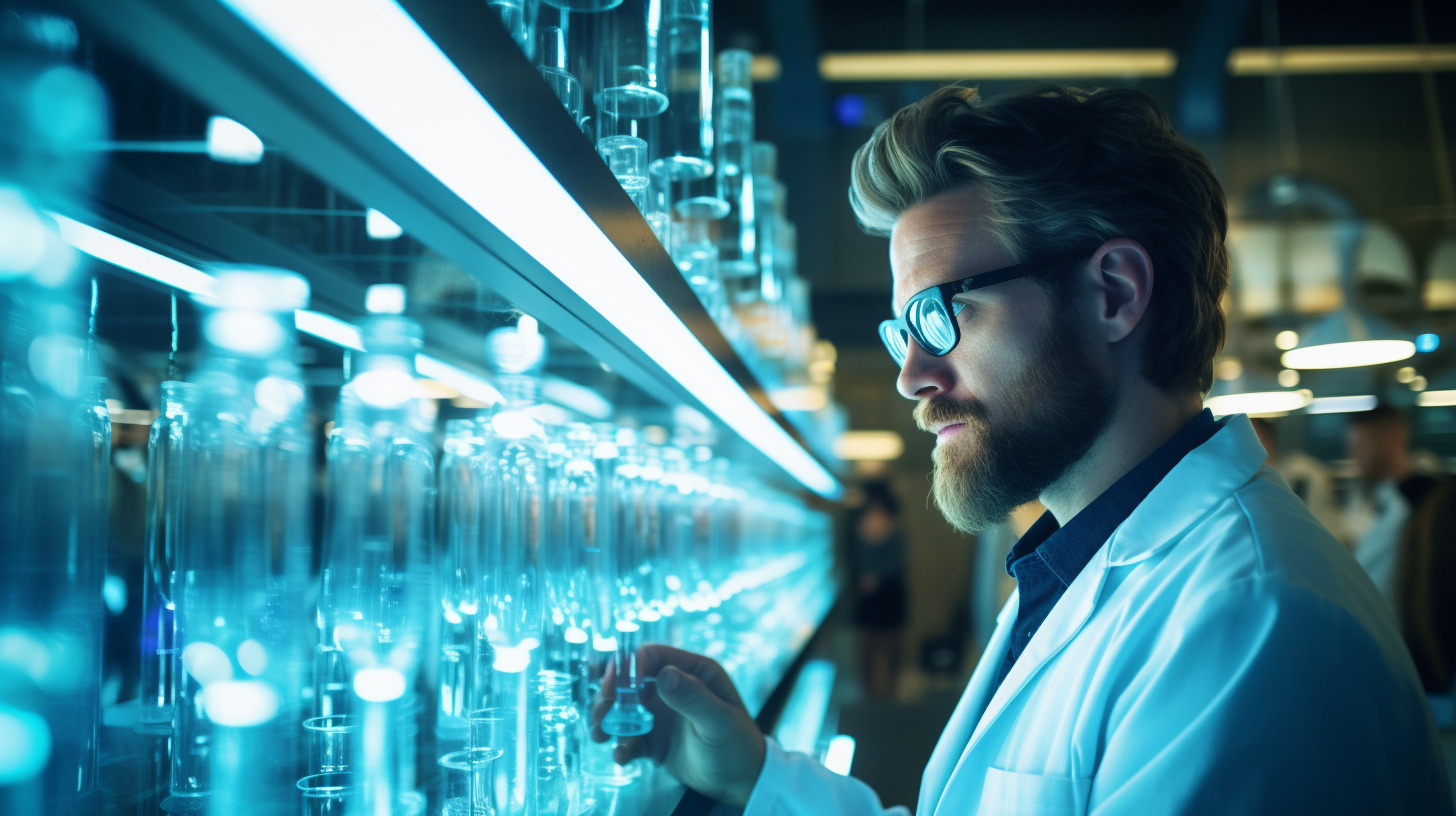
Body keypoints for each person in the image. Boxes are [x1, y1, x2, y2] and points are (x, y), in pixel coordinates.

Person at [592, 85, 1452, 814]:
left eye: (942, 314)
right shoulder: (1083, 560)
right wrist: (752, 774)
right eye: (903, 330)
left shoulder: (1251, 626)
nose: (912, 377)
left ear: (1113, 294)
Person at [1346, 404, 1440, 606]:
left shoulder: (1420, 503)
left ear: (1393, 440)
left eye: (1361, 446)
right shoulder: (1378, 500)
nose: (1354, 457)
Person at [847, 481, 908, 699]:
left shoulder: (895, 532)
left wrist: (876, 577)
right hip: (868, 599)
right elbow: (856, 561)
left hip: (889, 595)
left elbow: (895, 564)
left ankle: (889, 692)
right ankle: (869, 692)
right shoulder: (859, 530)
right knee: (867, 645)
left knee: (891, 646)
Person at [1249, 416, 1345, 542]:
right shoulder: (1254, 484)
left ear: (1269, 439)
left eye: (1253, 439)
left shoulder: (1301, 473)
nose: (1246, 448)